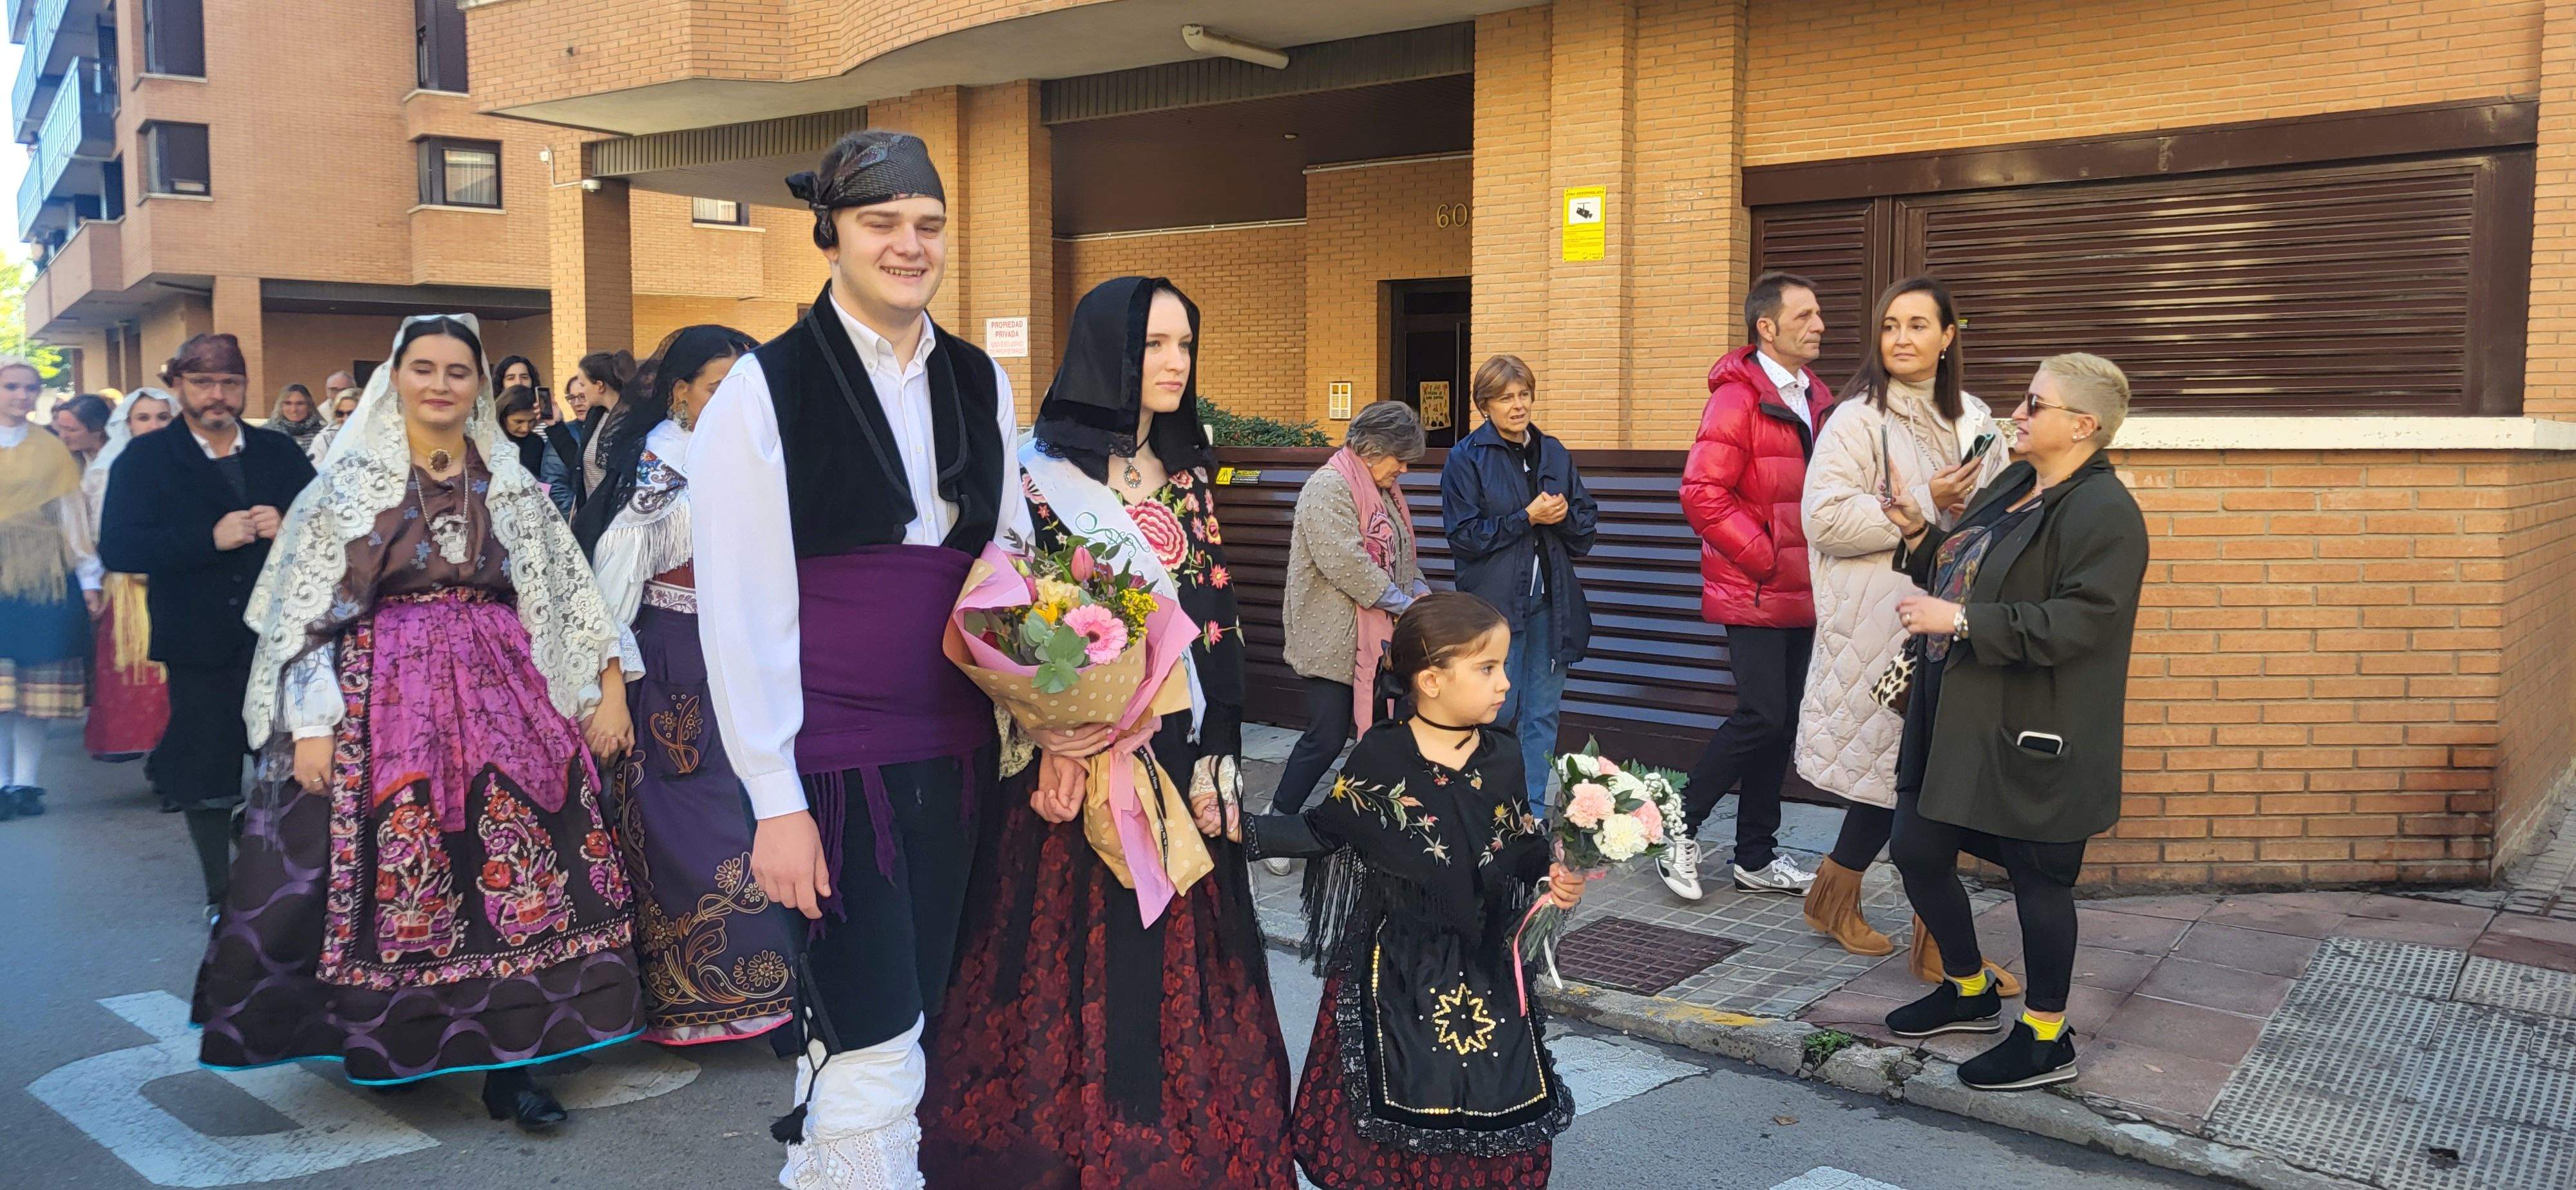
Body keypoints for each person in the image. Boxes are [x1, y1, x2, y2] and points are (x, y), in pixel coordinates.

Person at [191, 314, 644, 1128]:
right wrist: (316, 723)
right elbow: (304, 614)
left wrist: (605, 688)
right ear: (395, 378)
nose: (441, 383)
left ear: (479, 386)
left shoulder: (508, 480)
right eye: (424, 368)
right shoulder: (344, 483)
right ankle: (400, 1039)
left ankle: (516, 1067)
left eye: (458, 371)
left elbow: (571, 593)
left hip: (507, 694)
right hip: (382, 704)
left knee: (515, 873)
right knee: (405, 875)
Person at [687, 129, 1027, 1187]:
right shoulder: (761, 390)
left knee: (935, 1008)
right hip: (831, 757)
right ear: (832, 233)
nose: (909, 244)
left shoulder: (982, 380)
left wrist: (1057, 716)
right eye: (884, 223)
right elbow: (738, 611)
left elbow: (1011, 569)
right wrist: (774, 795)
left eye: (928, 224)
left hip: (966, 749)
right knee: (867, 1014)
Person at [922, 278, 1294, 1187]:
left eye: (1184, 346)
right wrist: (1053, 736)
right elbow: (1000, 616)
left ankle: (1168, 1144)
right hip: (1072, 760)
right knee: (1061, 952)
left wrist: (1221, 756)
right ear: (1105, 354)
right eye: (1154, 346)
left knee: (1174, 954)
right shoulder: (1031, 475)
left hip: (1176, 756)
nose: (1174, 364)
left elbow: (1216, 618)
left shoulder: (1190, 472)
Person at [1243, 592, 1580, 1188]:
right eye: (1487, 668)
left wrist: (1557, 864)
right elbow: (1325, 830)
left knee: (1492, 1085)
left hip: (1485, 960)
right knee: (1405, 1080)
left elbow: (1514, 843)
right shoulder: (1383, 754)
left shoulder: (1502, 756)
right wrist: (1233, 834)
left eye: (1502, 667)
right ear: (1430, 680)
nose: (1505, 683)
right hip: (1397, 961)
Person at [1878, 353, 2148, 1092]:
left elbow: (2081, 622)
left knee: (2040, 877)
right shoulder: (2014, 484)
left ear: (2082, 425)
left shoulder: (2105, 514)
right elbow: (1967, 572)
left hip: (2036, 726)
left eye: (2034, 403)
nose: (2017, 415)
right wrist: (1919, 538)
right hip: (1959, 711)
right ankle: (1968, 989)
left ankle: (2046, 1034)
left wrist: (1960, 620)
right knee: (1917, 847)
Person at [574, 323, 794, 1048]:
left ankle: (781, 992)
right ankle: (715, 998)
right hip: (674, 670)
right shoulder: (659, 474)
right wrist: (610, 693)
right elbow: (610, 592)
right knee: (695, 833)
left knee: (775, 816)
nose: (732, 402)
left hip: (758, 661)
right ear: (679, 393)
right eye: (715, 387)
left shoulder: (767, 463)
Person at [1794, 277, 2011, 959]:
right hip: (1876, 625)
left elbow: (2001, 516)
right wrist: (1924, 496)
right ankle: (1941, 948)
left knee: (1909, 780)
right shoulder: (1857, 419)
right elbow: (1823, 519)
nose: (1902, 339)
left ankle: (1840, 899)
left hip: (1950, 622)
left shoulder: (1975, 419)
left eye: (1918, 326)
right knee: (1904, 778)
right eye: (1890, 326)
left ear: (1949, 337)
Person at [101, 335, 316, 909]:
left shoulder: (278, 453)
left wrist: (290, 524)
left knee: (292, 763)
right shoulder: (146, 459)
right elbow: (118, 546)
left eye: (229, 383)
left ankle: (291, 881)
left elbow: (332, 530)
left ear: (245, 386)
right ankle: (220, 893)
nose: (217, 396)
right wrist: (206, 540)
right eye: (203, 383)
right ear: (178, 387)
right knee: (209, 764)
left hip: (281, 637)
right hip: (197, 639)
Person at [1667, 270, 1833, 902]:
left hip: (1806, 588)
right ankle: (1676, 829)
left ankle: (1755, 858)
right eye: (1805, 315)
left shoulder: (1816, 397)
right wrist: (1764, 556)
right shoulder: (1736, 397)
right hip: (1760, 586)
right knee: (1760, 715)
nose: (1819, 325)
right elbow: (1701, 492)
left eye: (1818, 315)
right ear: (1767, 327)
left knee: (1780, 724)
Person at [1262, 401, 1428, 876]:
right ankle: (1277, 826)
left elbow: (1401, 557)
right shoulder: (1328, 487)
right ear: (1372, 449)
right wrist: (1403, 603)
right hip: (1333, 640)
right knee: (1327, 736)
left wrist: (1422, 596)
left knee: (1379, 739)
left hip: (1376, 642)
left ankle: (1365, 829)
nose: (1403, 469)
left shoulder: (1386, 491)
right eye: (1399, 458)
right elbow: (1346, 563)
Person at [1439, 354, 1596, 817]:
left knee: (1542, 715)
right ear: (1484, 405)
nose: (1518, 405)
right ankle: (1483, 809)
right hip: (1494, 610)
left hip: (1551, 605)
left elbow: (1586, 530)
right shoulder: (1466, 457)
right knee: (1494, 713)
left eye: (1524, 394)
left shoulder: (1554, 452)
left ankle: (1529, 815)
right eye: (1506, 398)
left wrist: (1564, 517)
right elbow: (1463, 537)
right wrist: (1524, 518)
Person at [0, 358, 102, 819]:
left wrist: (90, 580)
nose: (22, 397)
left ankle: (25, 783)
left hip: (44, 579)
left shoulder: (51, 450)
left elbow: (72, 519)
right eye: (11, 387)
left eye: (30, 388)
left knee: (33, 688)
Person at [82, 388, 179, 764]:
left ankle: (175, 761)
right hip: (127, 589)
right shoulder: (105, 470)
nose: (154, 425)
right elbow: (93, 534)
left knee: (178, 681)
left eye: (162, 417)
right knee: (141, 680)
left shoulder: (190, 464)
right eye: (144, 418)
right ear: (128, 424)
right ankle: (153, 755)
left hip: (180, 579)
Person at [545, 350, 635, 516]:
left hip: (617, 520)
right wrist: (556, 425)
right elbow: (579, 462)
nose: (582, 393)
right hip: (592, 519)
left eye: (583, 385)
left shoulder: (631, 422)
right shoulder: (597, 415)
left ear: (600, 386)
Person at [497, 386, 549, 478]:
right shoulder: (489, 441)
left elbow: (542, 480)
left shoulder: (536, 443)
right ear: (503, 418)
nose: (525, 428)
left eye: (532, 421)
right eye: (519, 422)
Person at [52, 392, 113, 464]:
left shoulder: (121, 460)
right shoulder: (62, 461)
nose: (63, 436)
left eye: (71, 430)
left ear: (97, 429)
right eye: (60, 429)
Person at [268, 384, 326, 450]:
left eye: (300, 404)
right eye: (288, 403)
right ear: (281, 406)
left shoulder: (324, 433)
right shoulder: (267, 433)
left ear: (309, 406)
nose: (294, 409)